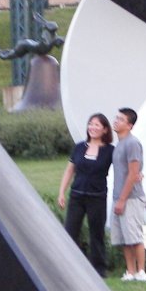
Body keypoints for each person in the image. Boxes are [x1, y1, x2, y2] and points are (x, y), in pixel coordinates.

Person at [58, 113, 115, 276]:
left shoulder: (110, 150)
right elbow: (70, 170)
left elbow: (122, 167)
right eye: (91, 124)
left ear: (104, 129)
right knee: (70, 231)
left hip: (97, 196)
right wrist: (62, 191)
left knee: (96, 233)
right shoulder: (79, 147)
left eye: (97, 125)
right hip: (77, 195)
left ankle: (98, 269)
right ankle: (69, 266)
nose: (93, 128)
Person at [110, 107, 146, 282]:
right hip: (118, 196)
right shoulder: (119, 144)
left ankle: (141, 271)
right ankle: (130, 271)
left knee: (134, 236)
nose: (116, 121)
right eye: (116, 118)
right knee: (124, 237)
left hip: (131, 198)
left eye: (121, 119)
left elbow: (133, 173)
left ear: (130, 125)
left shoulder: (132, 143)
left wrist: (122, 200)